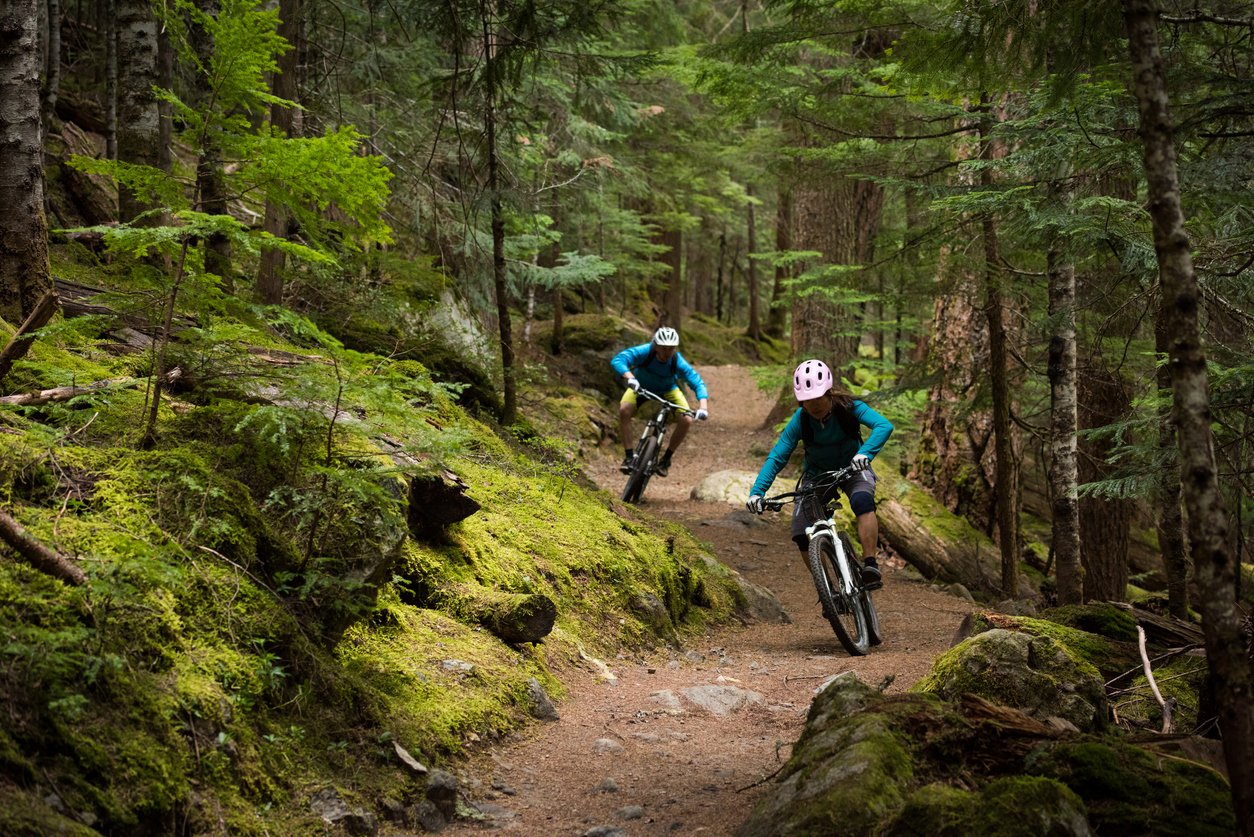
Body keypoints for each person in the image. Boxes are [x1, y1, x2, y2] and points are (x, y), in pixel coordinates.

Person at [745, 359, 893, 589]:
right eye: (806, 400)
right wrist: (757, 492)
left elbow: (883, 426)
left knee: (862, 500)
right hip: (817, 477)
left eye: (817, 397)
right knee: (800, 532)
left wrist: (864, 454)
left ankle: (870, 563)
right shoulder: (801, 419)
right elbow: (777, 456)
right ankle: (827, 588)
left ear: (828, 392)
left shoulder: (848, 407)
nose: (813, 405)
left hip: (853, 469)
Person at [610, 326, 709, 477]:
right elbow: (619, 360)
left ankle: (666, 459)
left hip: (668, 390)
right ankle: (629, 456)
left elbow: (697, 382)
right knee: (624, 410)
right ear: (656, 345)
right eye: (663, 348)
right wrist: (630, 377)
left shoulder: (677, 361)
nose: (667, 353)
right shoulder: (645, 351)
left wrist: (703, 407)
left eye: (671, 349)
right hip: (641, 387)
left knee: (687, 420)